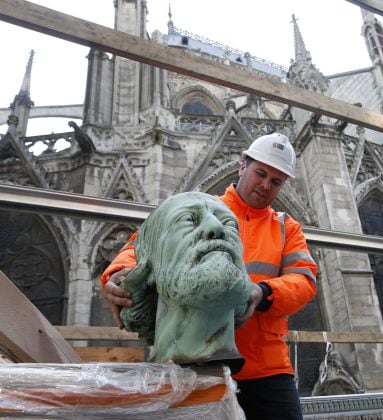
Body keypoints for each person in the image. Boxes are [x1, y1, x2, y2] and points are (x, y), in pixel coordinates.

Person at [101, 133, 317, 420]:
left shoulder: (286, 228)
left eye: (275, 181)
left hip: (266, 368)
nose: (265, 185)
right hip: (195, 360)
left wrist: (262, 292)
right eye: (260, 173)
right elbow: (142, 244)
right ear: (243, 167)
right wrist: (117, 274)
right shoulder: (200, 208)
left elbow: (304, 280)